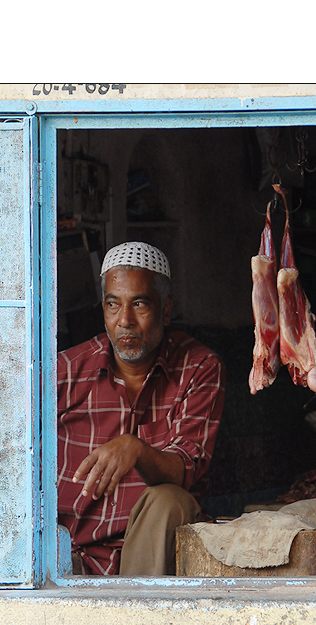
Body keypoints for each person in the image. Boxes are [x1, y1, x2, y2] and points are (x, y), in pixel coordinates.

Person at [57, 242, 225, 576]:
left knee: (169, 500)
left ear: (165, 309)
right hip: (73, 558)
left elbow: (185, 470)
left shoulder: (199, 367)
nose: (125, 321)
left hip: (156, 558)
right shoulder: (64, 371)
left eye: (139, 304)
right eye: (113, 304)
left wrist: (135, 449)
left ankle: (137, 615)